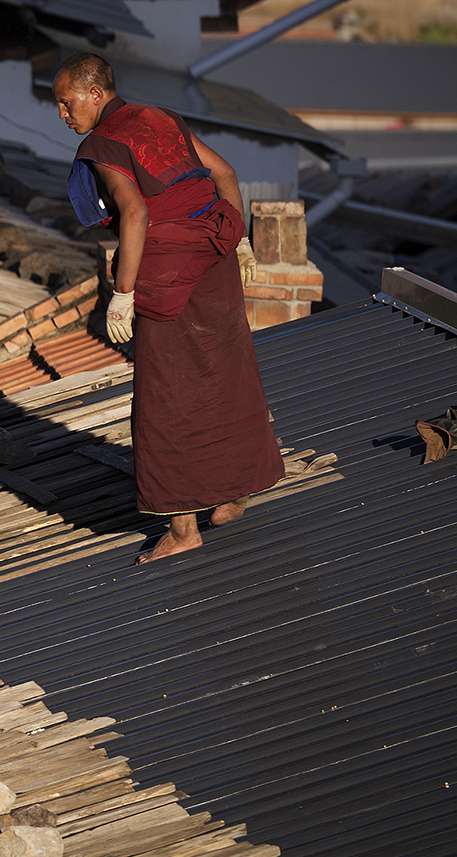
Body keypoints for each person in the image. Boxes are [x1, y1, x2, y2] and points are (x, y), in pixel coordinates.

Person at [53, 52, 286, 563]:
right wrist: (241, 241)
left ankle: (183, 531)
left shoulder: (102, 142)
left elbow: (134, 213)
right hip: (215, 257)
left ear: (95, 94)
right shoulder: (160, 117)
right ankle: (233, 494)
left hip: (167, 274)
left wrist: (122, 294)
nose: (63, 115)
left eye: (67, 103)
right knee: (226, 376)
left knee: (167, 398)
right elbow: (224, 172)